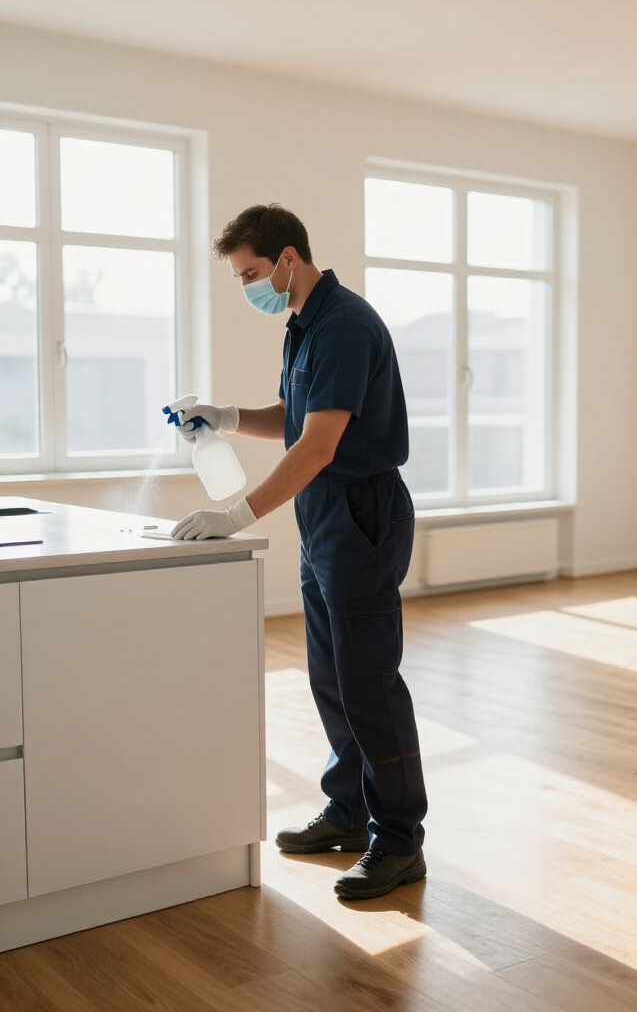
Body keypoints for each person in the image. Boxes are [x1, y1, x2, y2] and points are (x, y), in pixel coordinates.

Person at [171, 204, 427, 901]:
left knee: (368, 679)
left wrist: (237, 514)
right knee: (330, 675)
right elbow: (296, 419)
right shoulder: (304, 325)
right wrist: (223, 416)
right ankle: (348, 812)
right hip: (323, 513)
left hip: (360, 510)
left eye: (253, 273)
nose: (250, 287)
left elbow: (318, 446)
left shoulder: (342, 324)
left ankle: (400, 840)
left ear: (289, 258)